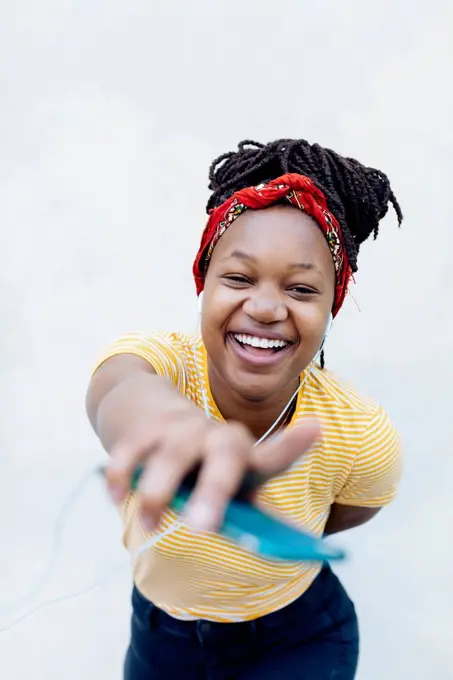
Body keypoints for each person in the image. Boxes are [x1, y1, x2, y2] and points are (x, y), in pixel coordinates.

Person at [86, 138, 404, 679]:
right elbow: (117, 393)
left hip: (298, 638)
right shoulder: (157, 364)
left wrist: (254, 529)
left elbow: (347, 513)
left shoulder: (359, 432)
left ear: (332, 307)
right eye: (237, 278)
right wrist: (174, 426)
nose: (264, 307)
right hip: (162, 635)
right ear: (203, 282)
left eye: (302, 289)